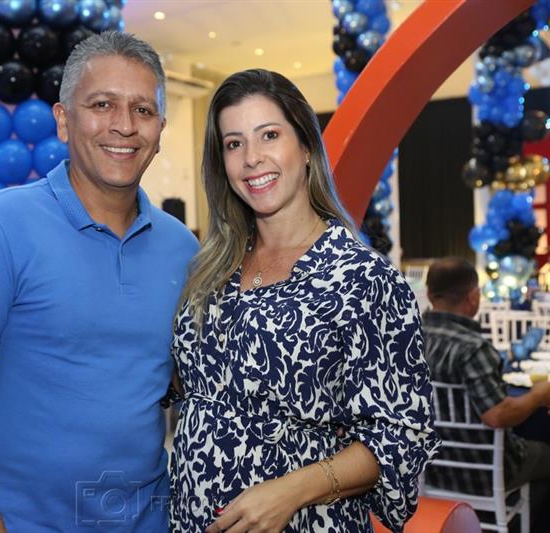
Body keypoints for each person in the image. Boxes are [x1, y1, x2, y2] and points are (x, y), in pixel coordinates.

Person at [0, 32, 199, 533]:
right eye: (102, 104)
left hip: (151, 518)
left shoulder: (182, 247)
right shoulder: (0, 226)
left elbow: (180, 380)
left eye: (142, 110)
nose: (124, 125)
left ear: (159, 129)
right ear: (64, 120)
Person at [169, 69, 439, 533]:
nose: (251, 158)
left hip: (306, 521)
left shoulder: (361, 278)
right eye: (233, 144)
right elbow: (195, 381)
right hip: (194, 518)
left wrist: (289, 492)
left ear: (307, 147)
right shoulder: (212, 267)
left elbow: (401, 435)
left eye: (269, 135)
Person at [422, 257, 550, 532]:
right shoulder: (473, 348)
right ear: (473, 297)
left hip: (428, 467)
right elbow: (497, 415)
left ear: (430, 294)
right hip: (479, 472)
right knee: (544, 449)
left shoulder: (410, 340)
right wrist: (539, 396)